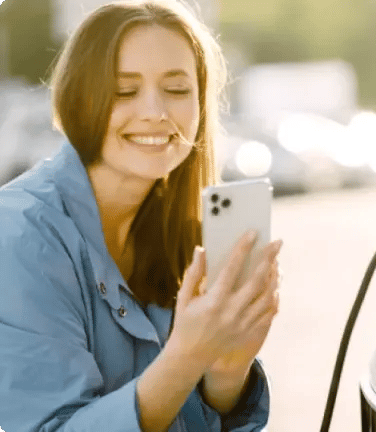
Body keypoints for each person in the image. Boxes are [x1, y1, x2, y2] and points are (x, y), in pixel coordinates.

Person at [0, 1, 282, 431]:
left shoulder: (185, 229)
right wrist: (186, 357)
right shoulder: (19, 233)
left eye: (177, 89)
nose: (155, 111)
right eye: (124, 90)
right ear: (78, 98)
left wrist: (226, 371)